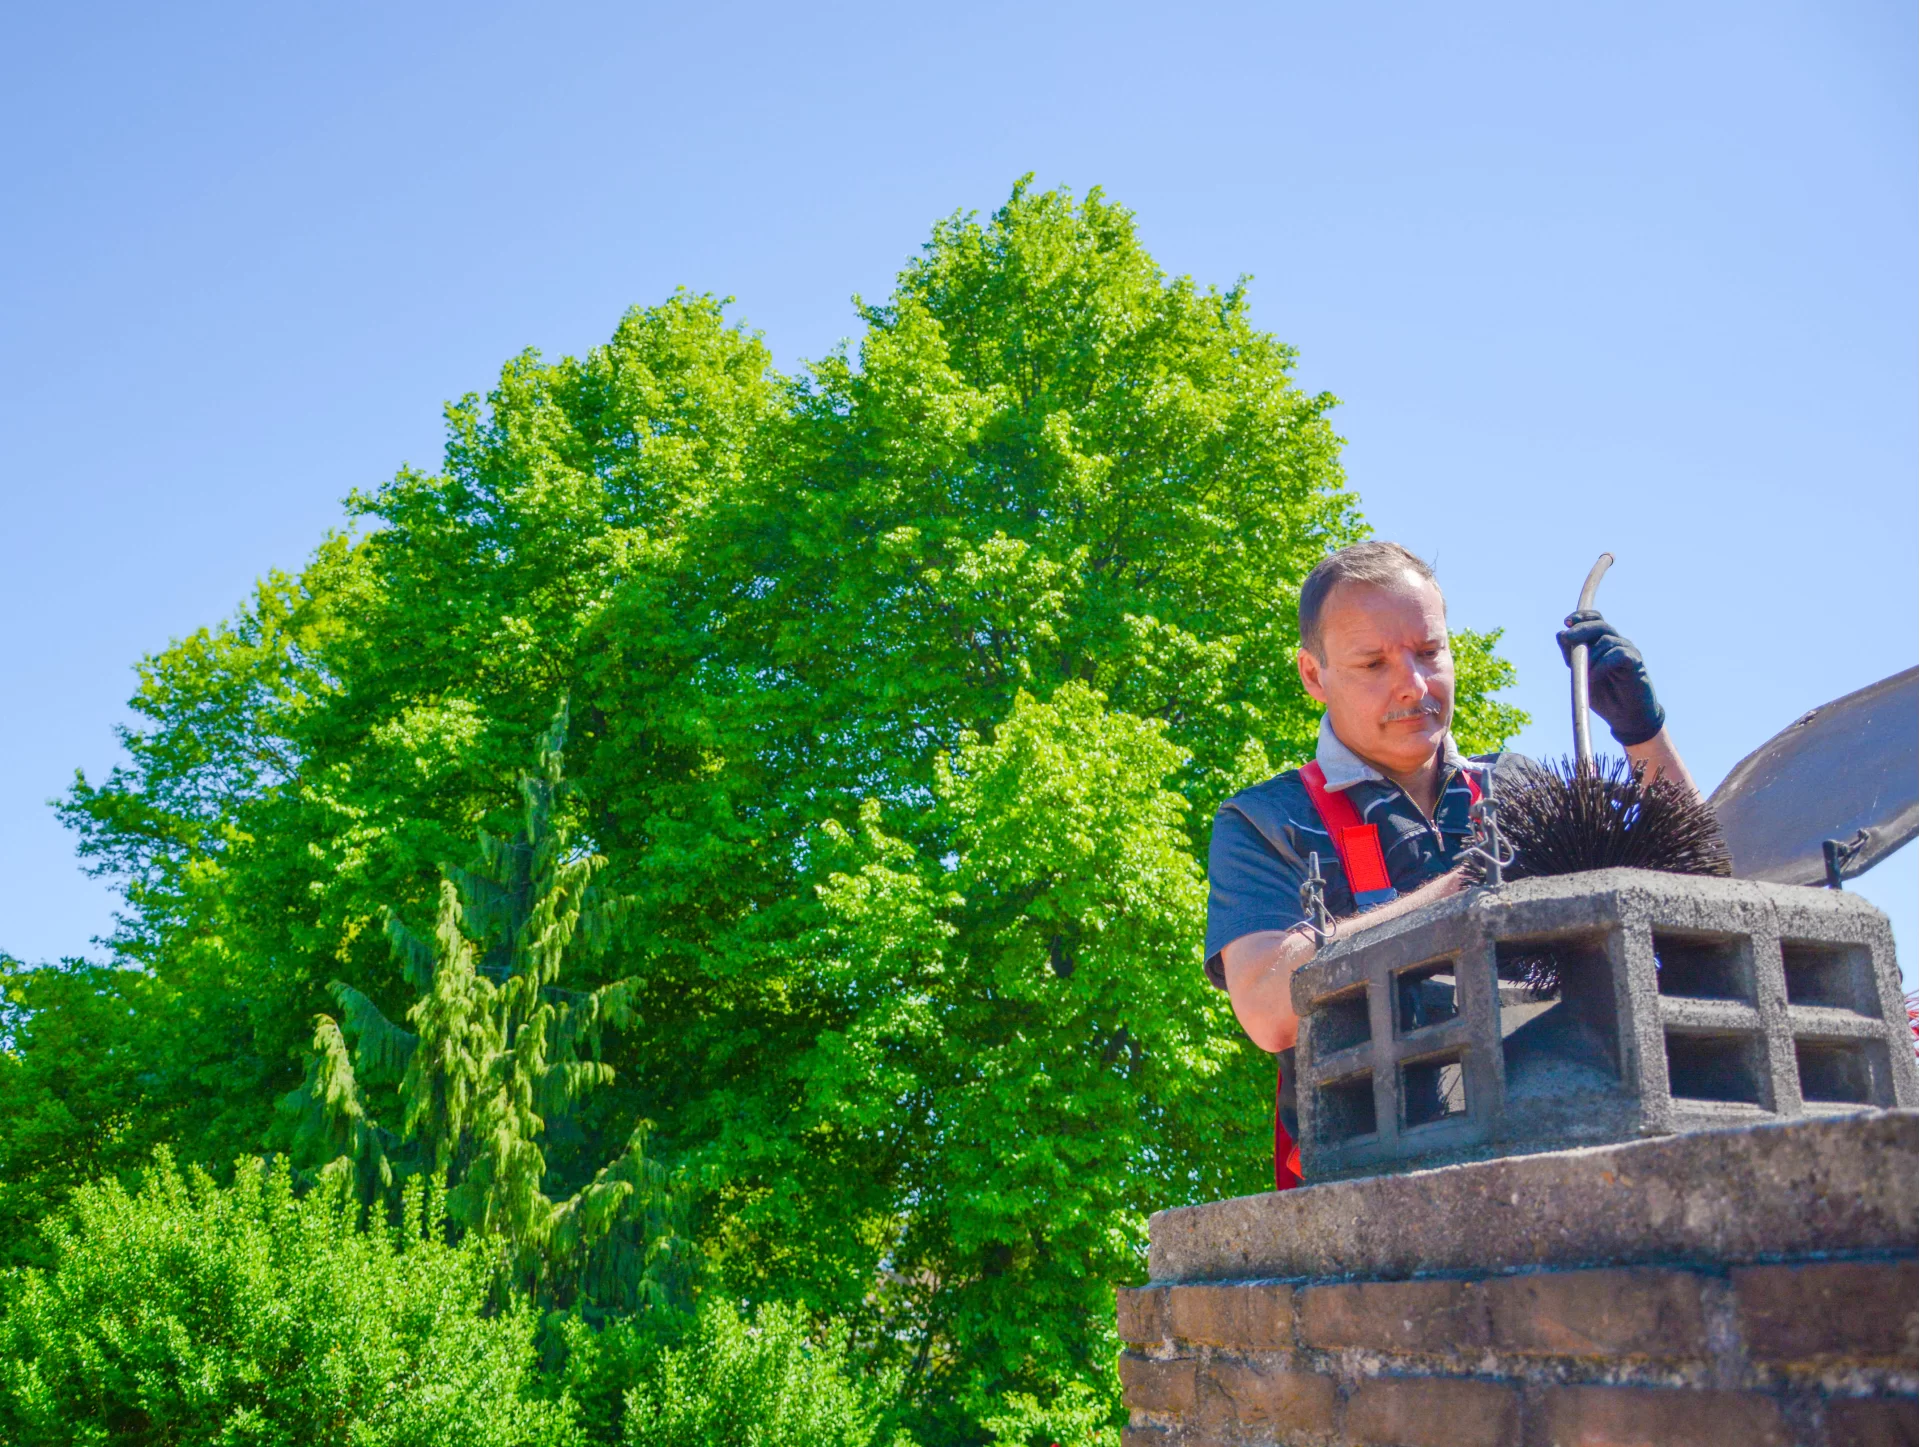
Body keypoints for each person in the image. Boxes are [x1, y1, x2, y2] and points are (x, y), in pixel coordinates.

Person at [1203, 541, 1694, 1186]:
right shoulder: (1267, 821)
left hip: (1563, 1157)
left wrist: (1641, 734)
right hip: (1372, 1189)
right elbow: (1268, 1006)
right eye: (1374, 662)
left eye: (1429, 652)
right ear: (1313, 675)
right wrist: (1459, 895)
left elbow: (1696, 898)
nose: (1413, 683)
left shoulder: (1523, 788)